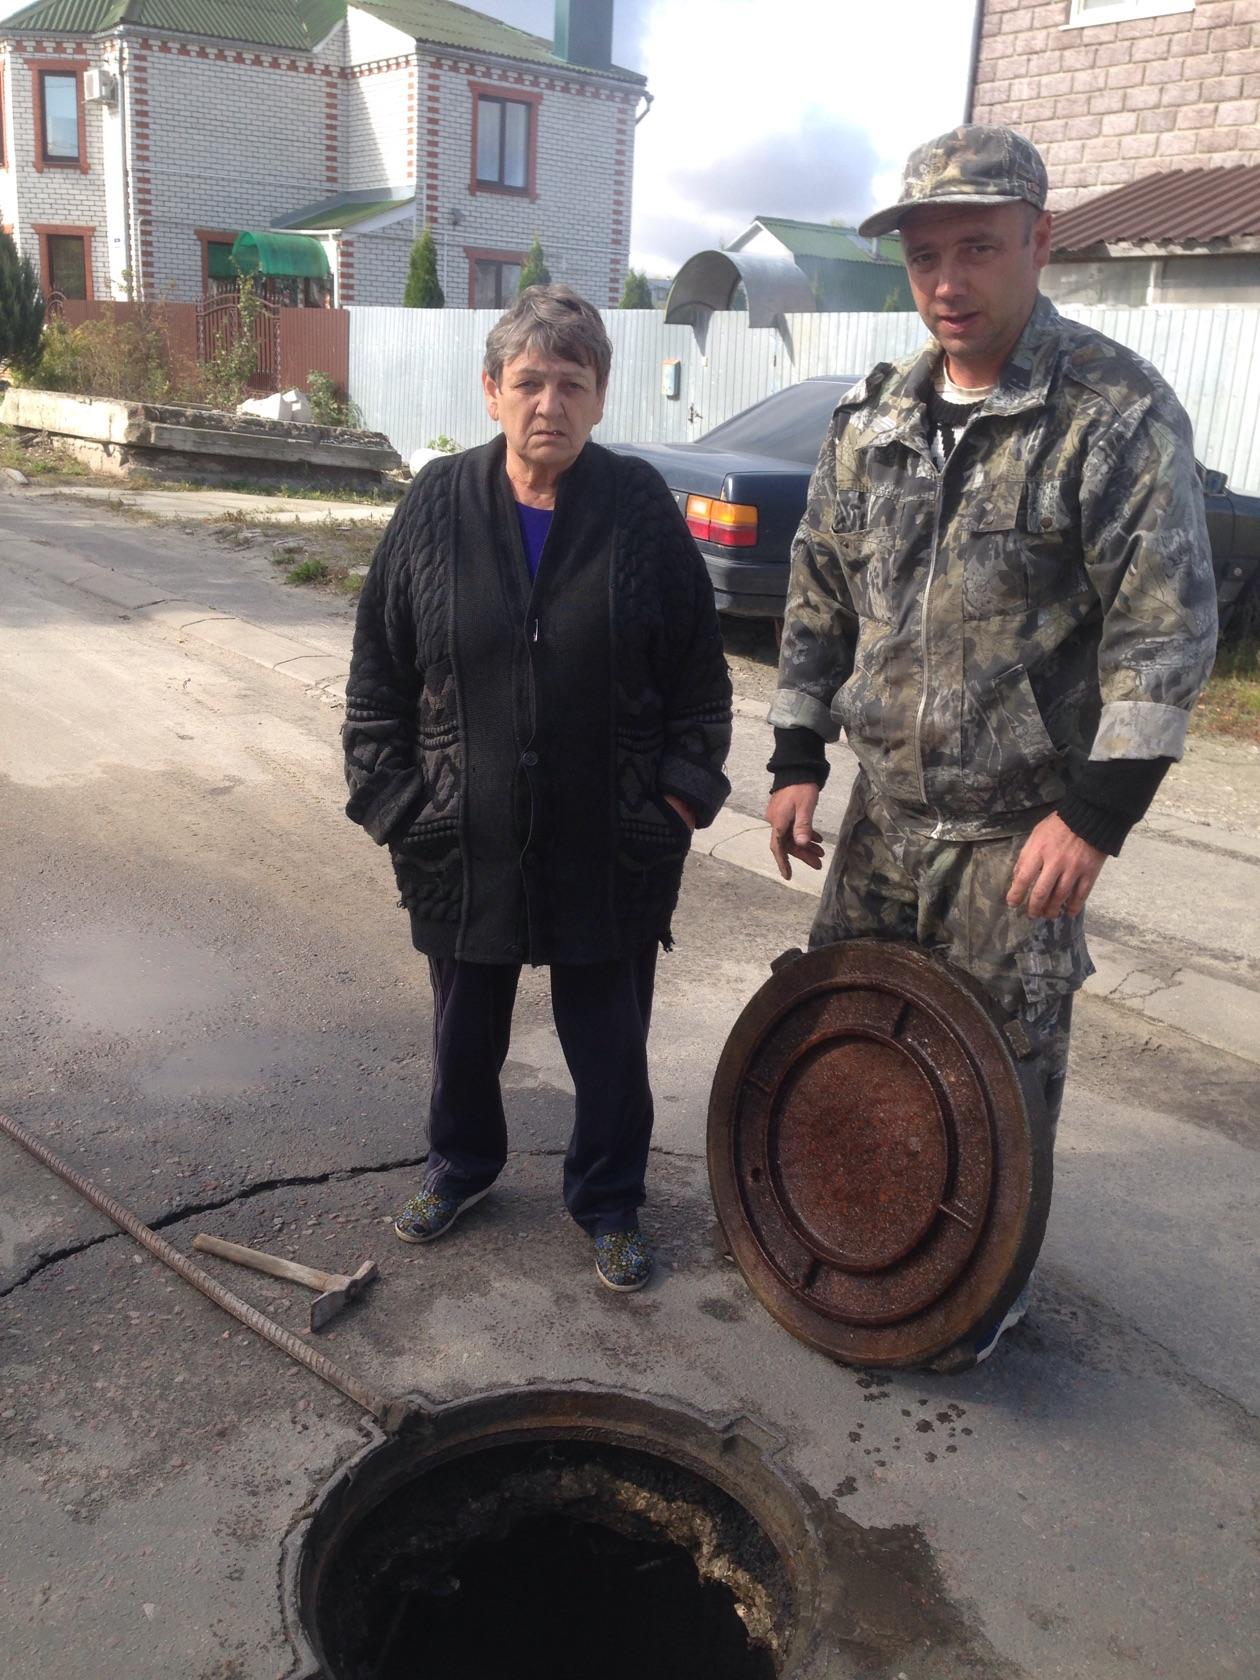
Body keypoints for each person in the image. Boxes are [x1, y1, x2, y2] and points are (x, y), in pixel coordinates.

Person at [765, 125, 1217, 1362]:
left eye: (976, 249)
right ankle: (856, 1283)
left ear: (1039, 242)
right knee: (854, 1062)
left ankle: (972, 1310)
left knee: (997, 1091)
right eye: (924, 258)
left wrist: (1098, 813)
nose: (949, 282)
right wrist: (799, 758)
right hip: (884, 826)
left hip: (1019, 840)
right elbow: (818, 595)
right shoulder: (873, 420)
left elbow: (1164, 632)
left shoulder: (1111, 417)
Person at [343, 284, 732, 1293]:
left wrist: (676, 806)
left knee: (609, 1045)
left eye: (572, 381)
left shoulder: (640, 510)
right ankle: (461, 1166)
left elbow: (700, 681)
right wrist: (399, 810)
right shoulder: (435, 505)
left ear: (600, 397)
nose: (548, 403)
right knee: (463, 1030)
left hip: (611, 845)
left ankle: (608, 1201)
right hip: (459, 841)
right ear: (490, 393)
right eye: (528, 382)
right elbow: (377, 680)